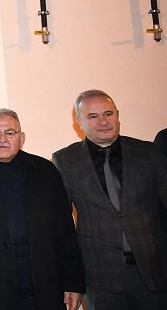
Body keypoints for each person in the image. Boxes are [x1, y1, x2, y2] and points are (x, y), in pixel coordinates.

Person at [0, 108, 84, 310]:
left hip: (42, 280)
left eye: (10, 133)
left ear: (21, 138)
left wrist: (73, 281)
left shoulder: (45, 170)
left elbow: (64, 229)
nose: (2, 139)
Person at [53, 89, 167, 309]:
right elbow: (61, 226)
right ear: (79, 123)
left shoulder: (149, 152)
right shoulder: (65, 160)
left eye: (108, 114)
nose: (103, 122)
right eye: (92, 116)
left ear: (117, 115)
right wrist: (71, 280)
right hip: (100, 278)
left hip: (155, 272)